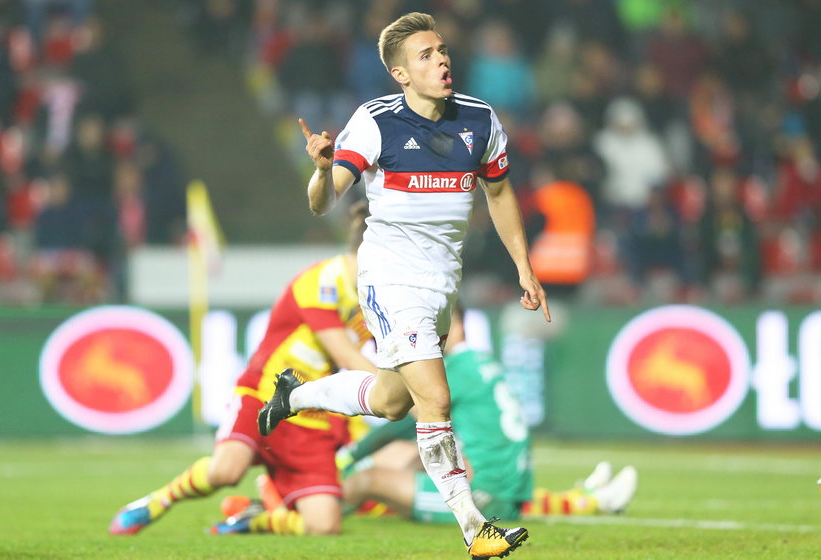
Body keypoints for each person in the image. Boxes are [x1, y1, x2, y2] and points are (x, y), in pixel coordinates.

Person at [257, 12, 550, 560]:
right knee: (434, 400)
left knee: (393, 401)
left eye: (442, 50)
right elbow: (325, 201)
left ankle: (292, 395)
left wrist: (523, 267)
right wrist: (321, 170)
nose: (441, 60)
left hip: (443, 284)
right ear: (399, 73)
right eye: (425, 55)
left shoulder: (481, 121)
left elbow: (500, 194)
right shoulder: (374, 122)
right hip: (390, 279)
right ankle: (475, 530)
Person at [109, 202, 376, 536]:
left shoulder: (376, 295)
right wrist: (400, 391)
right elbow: (348, 357)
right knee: (225, 472)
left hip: (311, 417)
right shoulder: (322, 280)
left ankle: (254, 518)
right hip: (264, 395)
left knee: (324, 526)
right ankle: (157, 501)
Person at [337, 306, 637, 521]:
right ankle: (585, 499)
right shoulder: (480, 363)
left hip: (483, 495)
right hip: (506, 485)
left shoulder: (452, 370)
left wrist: (352, 454)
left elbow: (399, 419)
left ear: (456, 328)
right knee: (402, 457)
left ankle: (310, 511)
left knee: (369, 480)